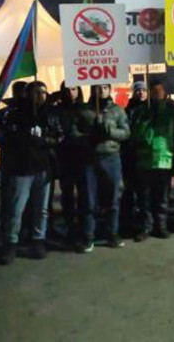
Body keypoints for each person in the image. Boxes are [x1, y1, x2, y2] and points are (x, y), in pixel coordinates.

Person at [0, 81, 63, 264]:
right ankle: (11, 243)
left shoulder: (50, 114)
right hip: (21, 168)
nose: (40, 95)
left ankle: (38, 240)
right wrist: (24, 136)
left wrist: (44, 140)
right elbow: (7, 138)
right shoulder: (16, 114)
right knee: (16, 208)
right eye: (36, 92)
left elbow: (59, 135)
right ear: (28, 94)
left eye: (43, 92)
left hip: (43, 167)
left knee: (41, 208)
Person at [73, 84, 131, 253]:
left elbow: (126, 132)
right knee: (89, 199)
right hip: (89, 159)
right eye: (98, 87)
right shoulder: (83, 110)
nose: (101, 91)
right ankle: (88, 236)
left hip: (111, 157)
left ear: (109, 89)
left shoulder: (117, 110)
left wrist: (110, 132)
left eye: (105, 87)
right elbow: (73, 133)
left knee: (113, 198)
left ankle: (112, 233)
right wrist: (89, 137)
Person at [129, 80, 174, 241]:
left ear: (165, 92)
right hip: (145, 160)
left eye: (159, 90)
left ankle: (161, 225)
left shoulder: (171, 112)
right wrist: (147, 121)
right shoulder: (141, 111)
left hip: (164, 159)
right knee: (144, 197)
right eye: (153, 90)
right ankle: (146, 226)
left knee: (162, 196)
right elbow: (135, 134)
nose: (156, 93)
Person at [0, 80, 27, 241]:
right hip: (11, 161)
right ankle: (8, 232)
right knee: (10, 198)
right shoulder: (4, 114)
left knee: (19, 198)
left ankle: (21, 230)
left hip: (25, 162)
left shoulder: (31, 113)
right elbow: (1, 139)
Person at [56, 82, 86, 243]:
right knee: (67, 193)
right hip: (65, 157)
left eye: (73, 89)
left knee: (84, 193)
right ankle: (69, 224)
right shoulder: (58, 110)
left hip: (82, 157)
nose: (70, 92)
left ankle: (83, 224)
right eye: (66, 89)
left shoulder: (85, 108)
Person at [120, 80, 148, 232]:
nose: (141, 92)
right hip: (130, 155)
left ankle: (144, 223)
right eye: (138, 90)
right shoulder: (127, 110)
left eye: (144, 90)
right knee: (128, 190)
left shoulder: (151, 108)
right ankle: (127, 222)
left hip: (146, 155)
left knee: (144, 192)